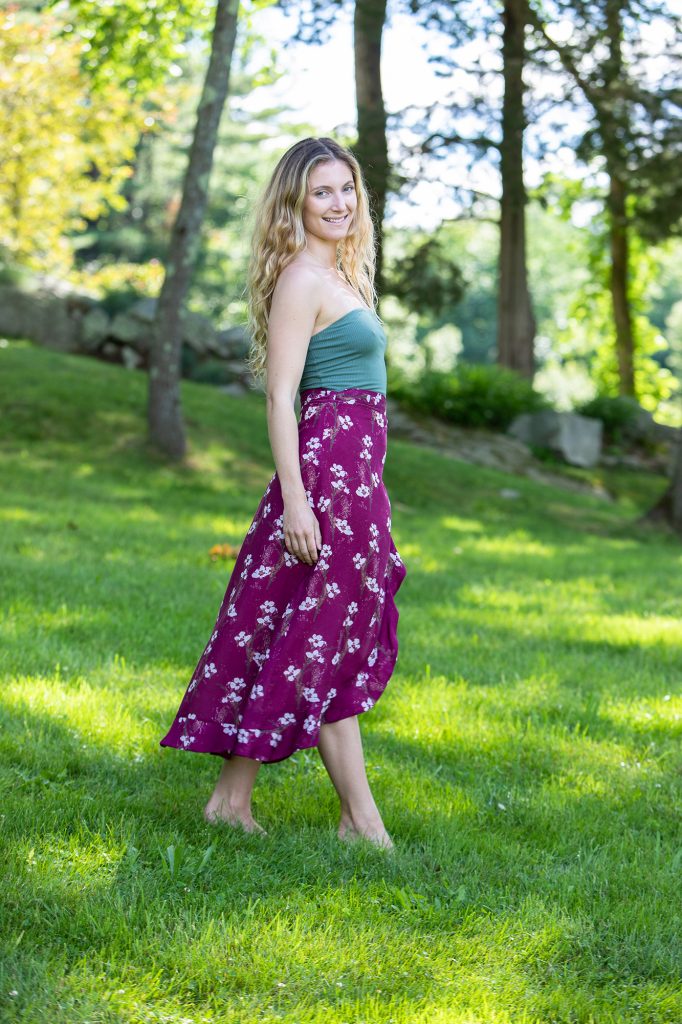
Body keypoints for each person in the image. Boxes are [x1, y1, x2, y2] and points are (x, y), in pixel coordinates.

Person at [159, 136, 407, 850]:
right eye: (321, 191)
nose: (338, 203)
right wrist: (299, 503)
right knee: (320, 635)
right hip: (323, 476)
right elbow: (278, 397)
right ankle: (361, 821)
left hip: (353, 475)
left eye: (346, 189)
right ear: (296, 202)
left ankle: (230, 801)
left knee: (290, 626)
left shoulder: (340, 276)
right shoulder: (302, 278)